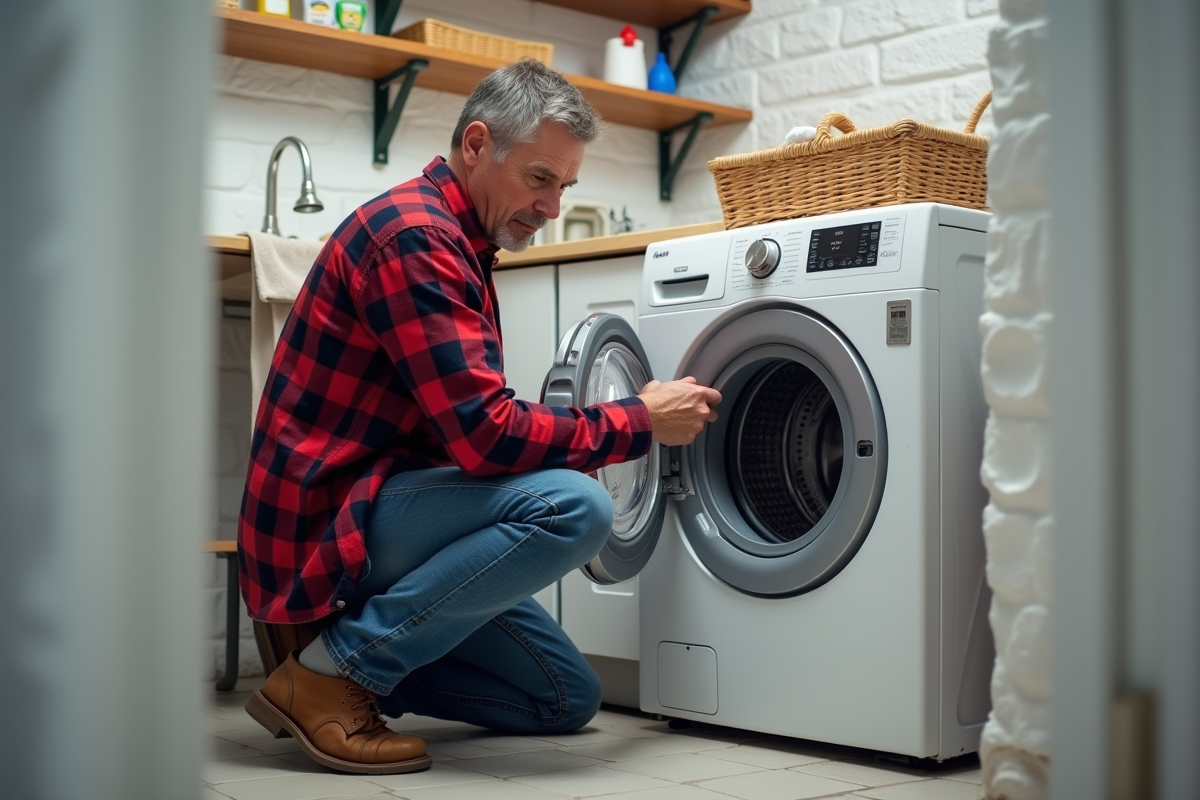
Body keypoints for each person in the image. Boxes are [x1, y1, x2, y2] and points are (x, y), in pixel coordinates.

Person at [237, 59, 722, 776]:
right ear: (476, 144)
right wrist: (639, 420)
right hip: (329, 527)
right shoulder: (415, 237)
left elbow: (468, 433)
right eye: (539, 178)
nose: (551, 207)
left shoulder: (464, 241)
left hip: (378, 514)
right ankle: (331, 676)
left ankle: (330, 660)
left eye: (564, 186)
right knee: (574, 506)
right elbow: (486, 436)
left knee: (565, 698)